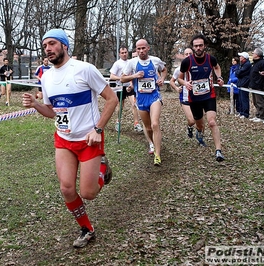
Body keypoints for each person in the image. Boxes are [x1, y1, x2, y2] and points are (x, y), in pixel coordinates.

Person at [22, 28, 118, 248]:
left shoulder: (84, 70)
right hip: (64, 139)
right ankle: (86, 229)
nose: (48, 49)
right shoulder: (46, 77)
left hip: (89, 139)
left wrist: (98, 129)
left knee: (89, 193)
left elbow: (112, 99)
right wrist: (36, 105)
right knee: (66, 188)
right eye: (45, 45)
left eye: (53, 44)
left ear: (65, 46)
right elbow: (52, 111)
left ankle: (102, 168)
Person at [177, 34, 225, 162]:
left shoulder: (211, 59)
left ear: (205, 46)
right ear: (193, 47)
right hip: (195, 98)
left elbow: (217, 67)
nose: (198, 48)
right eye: (196, 46)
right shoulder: (187, 61)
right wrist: (185, 83)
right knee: (199, 124)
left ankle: (218, 151)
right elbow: (179, 78)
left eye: (200, 45)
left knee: (211, 122)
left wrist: (219, 77)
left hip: (209, 95)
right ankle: (198, 131)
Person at [121, 39, 167, 166]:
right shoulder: (132, 63)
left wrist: (162, 79)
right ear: (136, 50)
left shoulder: (155, 60)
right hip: (141, 99)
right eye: (138, 49)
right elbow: (122, 78)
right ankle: (151, 143)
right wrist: (134, 76)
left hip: (154, 97)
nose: (141, 51)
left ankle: (157, 155)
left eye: (143, 48)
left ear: (148, 48)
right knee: (147, 127)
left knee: (155, 124)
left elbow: (164, 70)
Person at [110, 46, 142, 133]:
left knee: (134, 104)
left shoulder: (131, 62)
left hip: (129, 86)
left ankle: (136, 124)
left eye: (125, 52)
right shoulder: (117, 63)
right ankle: (118, 122)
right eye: (122, 53)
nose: (124, 54)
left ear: (128, 53)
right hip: (120, 87)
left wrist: (131, 84)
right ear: (119, 54)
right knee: (121, 106)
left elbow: (132, 74)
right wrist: (120, 78)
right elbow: (112, 76)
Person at [170, 48, 195, 138]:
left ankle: (199, 136)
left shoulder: (197, 67)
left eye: (190, 54)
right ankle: (190, 127)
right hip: (185, 97)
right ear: (184, 56)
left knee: (200, 121)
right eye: (186, 54)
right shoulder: (178, 69)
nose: (188, 56)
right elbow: (171, 81)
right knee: (192, 120)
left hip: (198, 97)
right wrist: (176, 88)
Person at [248, 48, 264, 123]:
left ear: (257, 55)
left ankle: (262, 116)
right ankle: (257, 114)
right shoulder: (254, 63)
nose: (252, 54)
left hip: (258, 85)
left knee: (260, 101)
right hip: (253, 84)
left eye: (253, 53)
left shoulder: (263, 62)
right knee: (255, 101)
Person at [235, 52, 252, 119]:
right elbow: (237, 73)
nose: (239, 57)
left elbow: (240, 72)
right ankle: (241, 112)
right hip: (241, 83)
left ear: (244, 58)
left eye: (241, 56)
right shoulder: (242, 64)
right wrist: (238, 72)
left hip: (244, 83)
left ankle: (245, 113)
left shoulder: (247, 65)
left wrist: (238, 72)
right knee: (240, 99)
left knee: (244, 99)